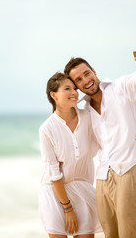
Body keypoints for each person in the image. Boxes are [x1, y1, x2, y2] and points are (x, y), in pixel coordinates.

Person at [64, 44, 136, 238]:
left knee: (132, 232)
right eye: (79, 79)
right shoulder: (84, 111)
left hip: (129, 166)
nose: (86, 80)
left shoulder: (121, 87)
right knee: (111, 233)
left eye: (87, 73)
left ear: (94, 71)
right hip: (103, 175)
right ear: (76, 86)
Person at [38, 72, 102, 238]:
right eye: (67, 89)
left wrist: (134, 141)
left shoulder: (88, 117)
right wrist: (67, 208)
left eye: (75, 88)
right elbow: (53, 172)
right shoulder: (47, 129)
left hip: (82, 189)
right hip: (55, 192)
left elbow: (107, 139)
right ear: (54, 95)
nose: (74, 92)